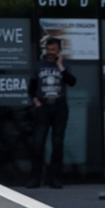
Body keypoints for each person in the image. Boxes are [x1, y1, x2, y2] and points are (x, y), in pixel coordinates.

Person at [29, 32, 76, 188]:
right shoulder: (38, 65)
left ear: (59, 51)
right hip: (43, 107)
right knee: (38, 143)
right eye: (48, 49)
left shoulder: (65, 66)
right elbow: (31, 87)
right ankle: (35, 178)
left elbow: (72, 82)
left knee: (57, 143)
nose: (50, 53)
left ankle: (55, 178)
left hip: (59, 106)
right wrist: (36, 102)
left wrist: (60, 65)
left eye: (53, 50)